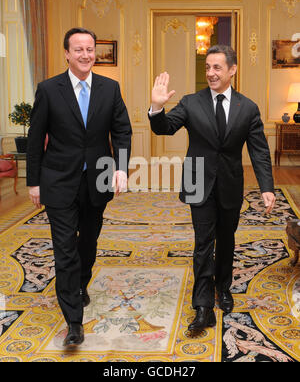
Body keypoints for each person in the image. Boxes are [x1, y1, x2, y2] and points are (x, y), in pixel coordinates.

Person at [149, 45, 275, 336]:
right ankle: (202, 305)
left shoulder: (248, 107)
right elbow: (164, 128)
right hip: (197, 181)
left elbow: (259, 151)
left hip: (230, 183)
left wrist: (267, 187)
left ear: (232, 70)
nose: (210, 73)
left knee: (226, 239)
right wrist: (157, 108)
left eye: (217, 67)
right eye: (207, 67)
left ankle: (223, 287)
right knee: (203, 242)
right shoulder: (191, 102)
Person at [26, 27, 132, 347]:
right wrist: (33, 182)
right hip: (58, 180)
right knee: (65, 251)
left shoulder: (110, 88)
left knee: (88, 242)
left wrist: (122, 169)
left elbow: (122, 131)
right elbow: (35, 138)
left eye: (90, 49)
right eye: (79, 50)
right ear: (67, 54)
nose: (86, 55)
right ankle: (74, 321)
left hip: (97, 179)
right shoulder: (49, 89)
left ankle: (81, 283)